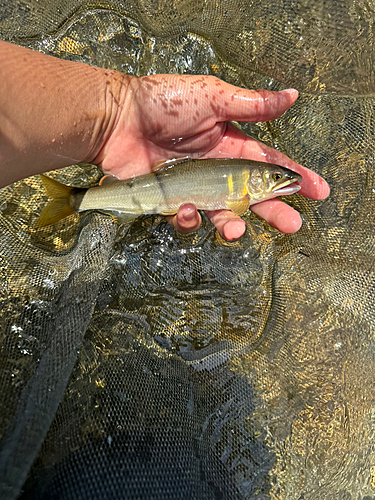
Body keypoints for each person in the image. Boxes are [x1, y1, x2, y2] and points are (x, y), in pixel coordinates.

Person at [0, 40, 329, 241]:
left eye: (275, 178)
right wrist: (122, 111)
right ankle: (75, 200)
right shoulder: (240, 197)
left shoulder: (243, 186)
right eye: (273, 176)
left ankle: (77, 199)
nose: (279, 179)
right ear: (252, 181)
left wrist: (120, 111)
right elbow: (238, 206)